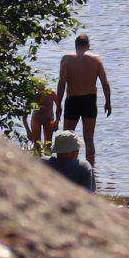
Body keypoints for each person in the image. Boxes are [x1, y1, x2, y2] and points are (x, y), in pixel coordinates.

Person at [56, 33, 112, 166]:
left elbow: (62, 83)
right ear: (88, 46)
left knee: (67, 137)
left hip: (72, 101)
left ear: (75, 46)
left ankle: (67, 169)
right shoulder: (96, 59)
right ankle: (91, 170)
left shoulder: (66, 59)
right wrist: (108, 102)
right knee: (89, 139)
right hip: (89, 101)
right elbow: (105, 83)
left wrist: (58, 104)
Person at [24, 81, 58, 150]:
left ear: (45, 87)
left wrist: (57, 122)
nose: (40, 92)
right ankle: (35, 150)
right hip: (36, 120)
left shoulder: (51, 93)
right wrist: (28, 131)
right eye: (38, 90)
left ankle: (46, 154)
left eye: (42, 89)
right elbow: (24, 116)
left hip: (49, 119)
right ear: (35, 89)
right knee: (37, 146)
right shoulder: (32, 96)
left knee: (48, 146)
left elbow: (59, 107)